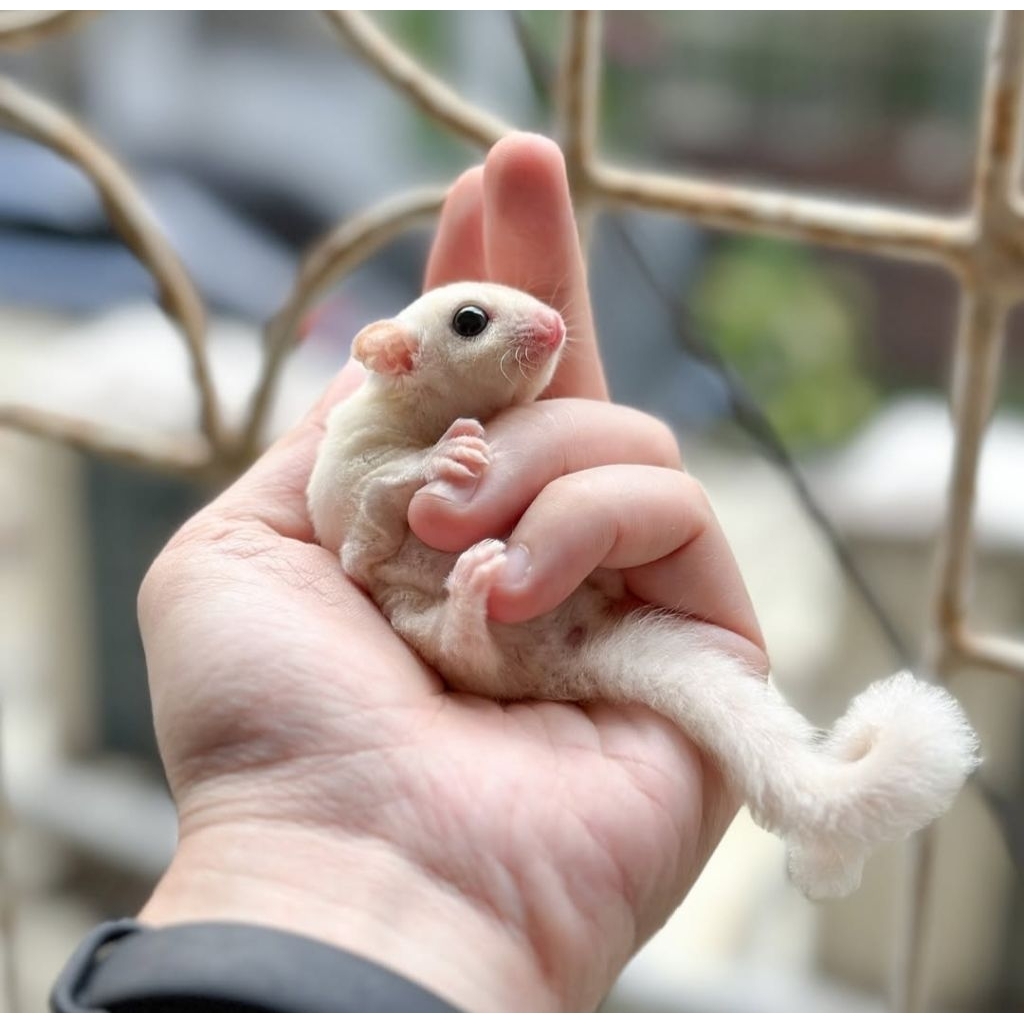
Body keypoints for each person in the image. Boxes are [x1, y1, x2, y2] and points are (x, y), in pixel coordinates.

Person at [53, 132, 767, 1012]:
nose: (547, 326)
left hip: (521, 643)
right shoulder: (364, 425)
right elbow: (357, 543)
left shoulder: (466, 422)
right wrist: (420, 481)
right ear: (397, 358)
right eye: (473, 322)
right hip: (448, 618)